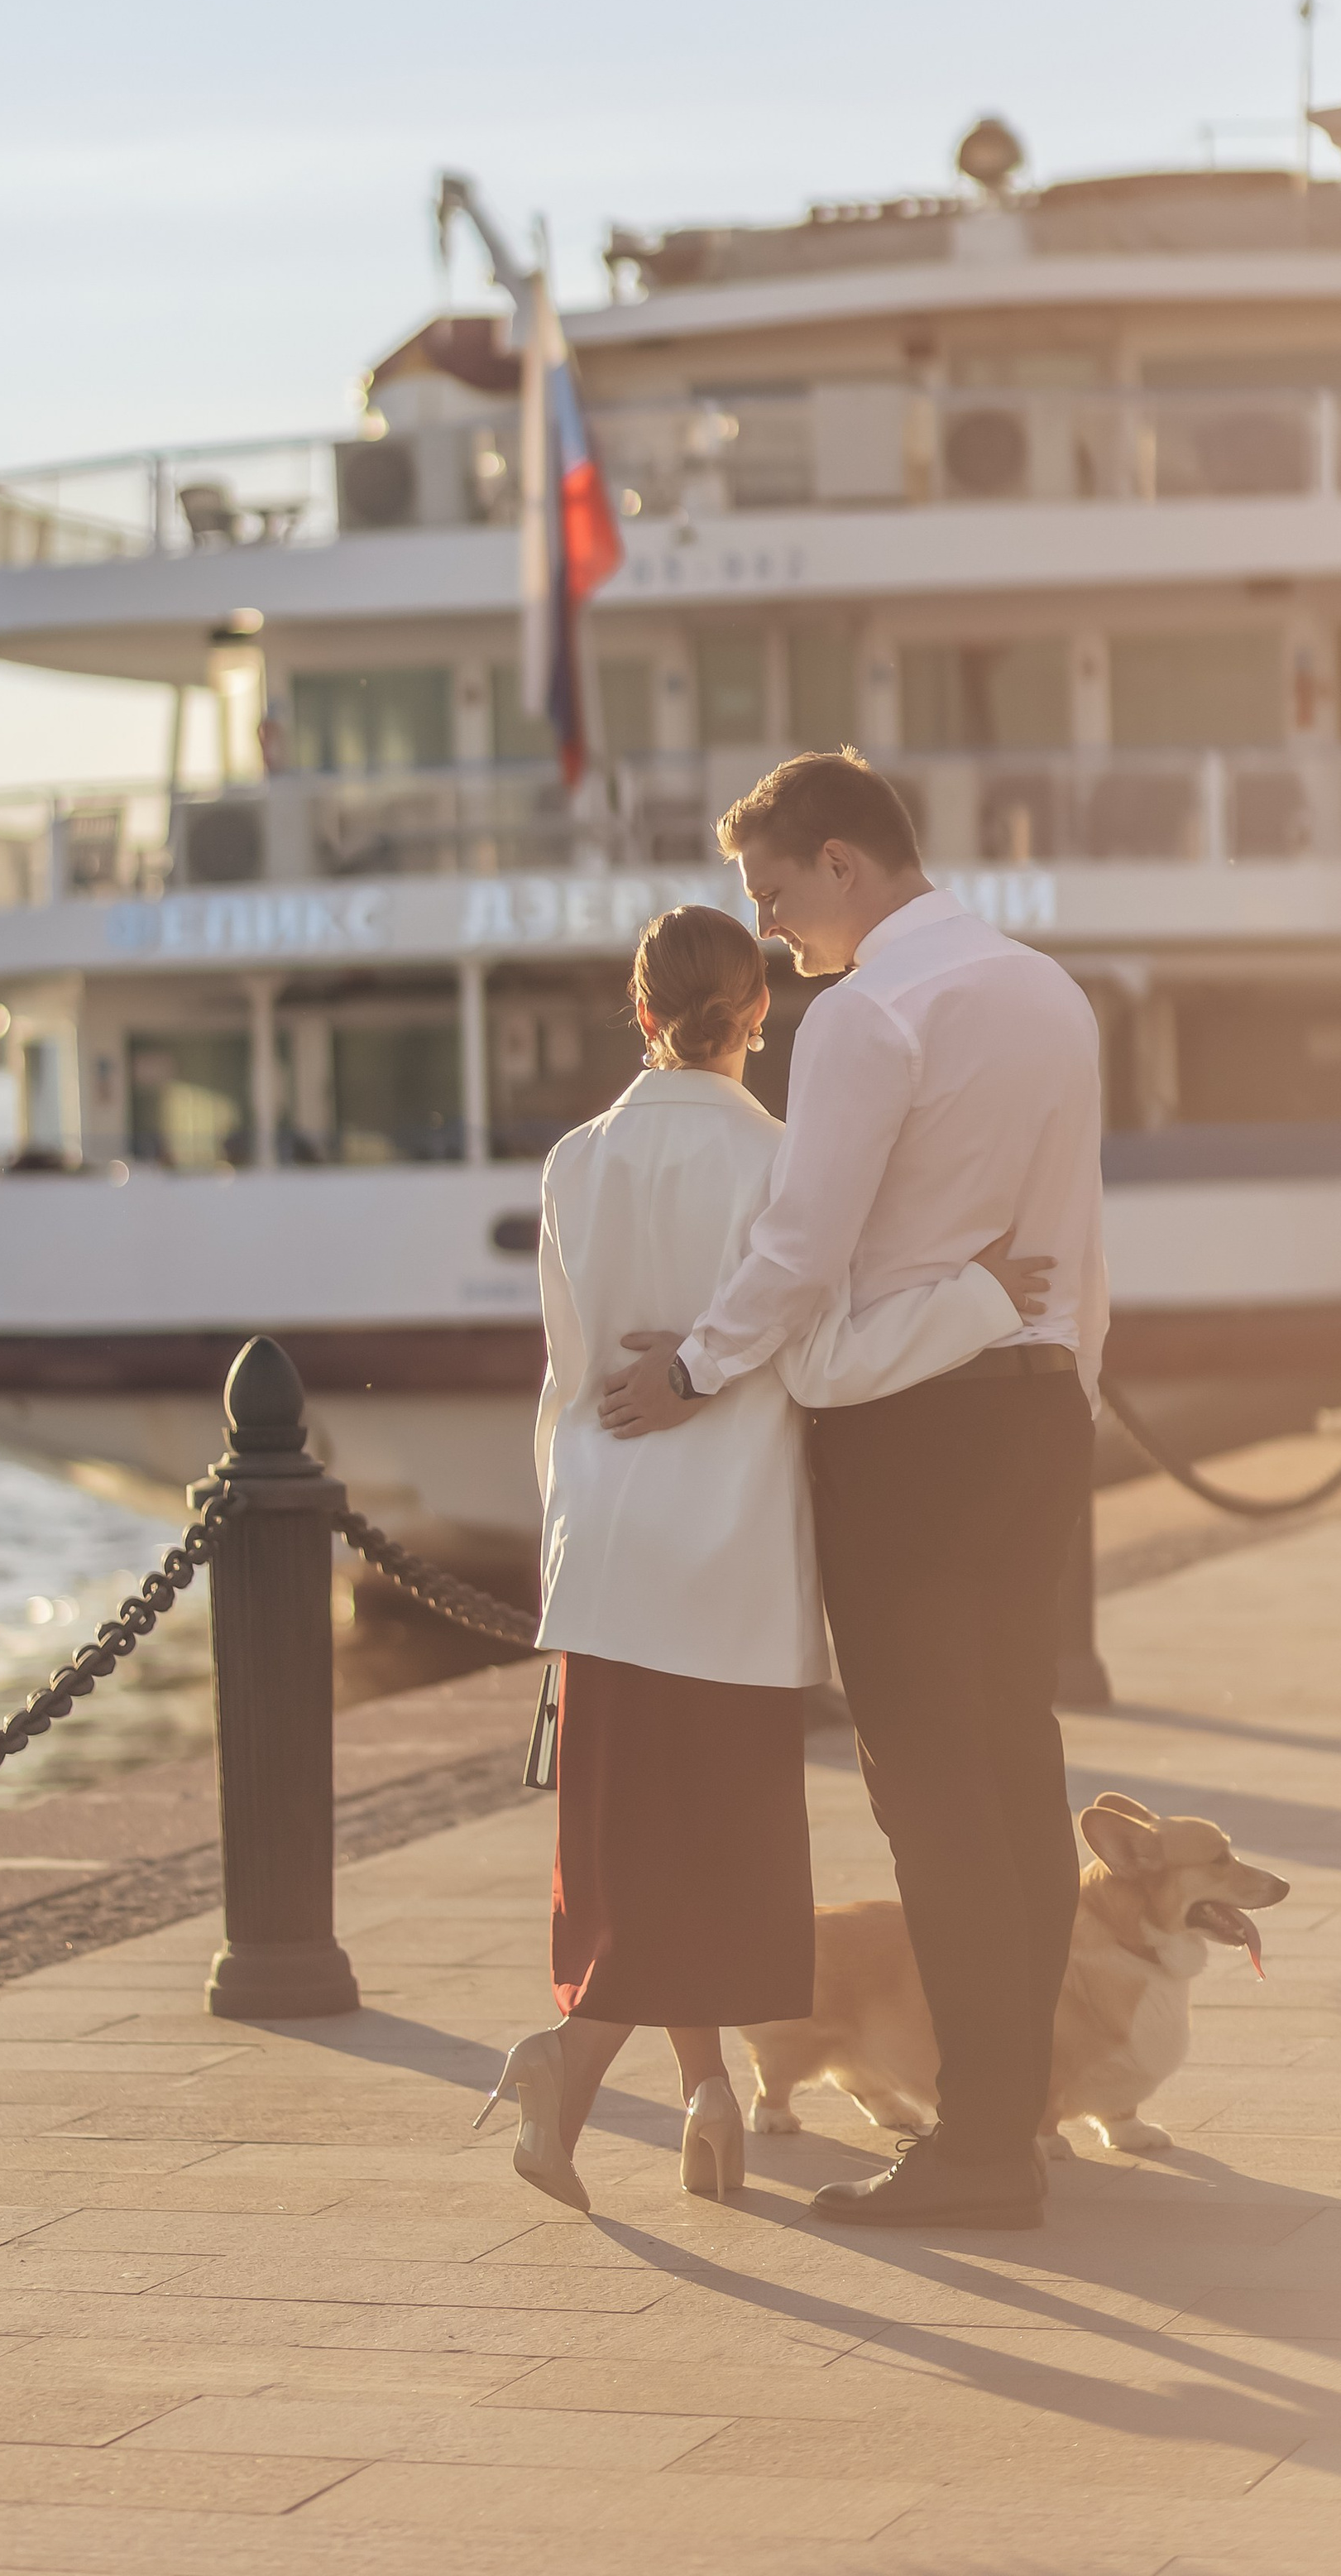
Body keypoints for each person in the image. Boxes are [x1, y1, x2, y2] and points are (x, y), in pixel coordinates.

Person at [475, 902, 1050, 2217]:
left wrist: (569, 1540)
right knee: (715, 1853)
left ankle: (703, 2096)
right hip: (726, 1565)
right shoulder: (783, 1163)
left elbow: (568, 1374)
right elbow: (825, 1362)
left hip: (606, 1551)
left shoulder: (572, 1162)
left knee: (634, 1845)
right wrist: (977, 1298)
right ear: (759, 1015)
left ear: (640, 1013)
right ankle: (581, 2066)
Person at [599, 752, 1107, 2231]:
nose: (770, 933)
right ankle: (1009, 2120)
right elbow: (1077, 1233)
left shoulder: (869, 1014)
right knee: (1015, 1761)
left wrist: (691, 1369)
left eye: (774, 895)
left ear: (841, 860)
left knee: (933, 1793)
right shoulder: (1046, 992)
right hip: (1039, 1411)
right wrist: (1070, 1381)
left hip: (911, 1429)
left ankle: (982, 2149)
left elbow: (803, 1246)